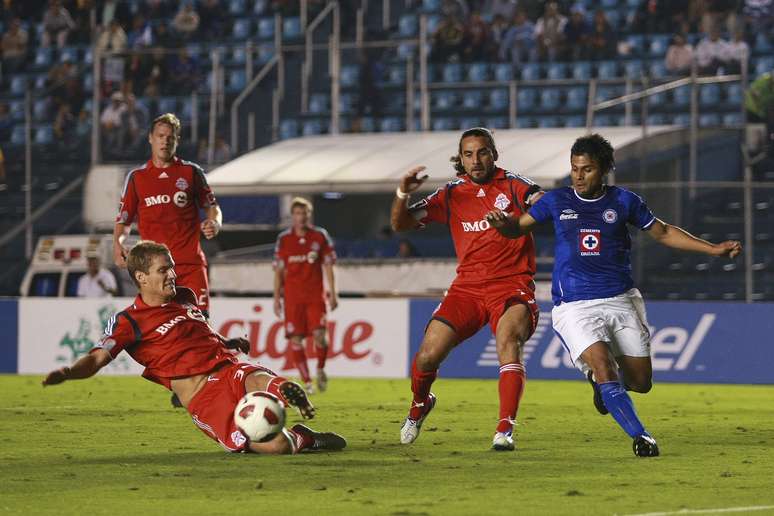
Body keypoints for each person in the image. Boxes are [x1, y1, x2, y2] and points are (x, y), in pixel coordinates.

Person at [486, 133, 742, 457]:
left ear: (605, 169)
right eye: (575, 168)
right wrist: (503, 224)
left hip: (620, 300)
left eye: (587, 169)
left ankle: (601, 386)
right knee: (604, 366)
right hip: (575, 305)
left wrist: (714, 250)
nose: (578, 176)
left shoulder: (624, 202)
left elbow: (662, 232)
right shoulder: (555, 201)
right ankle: (641, 436)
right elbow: (517, 227)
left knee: (640, 381)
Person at [43, 241, 346, 454]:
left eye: (172, 267)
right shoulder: (128, 322)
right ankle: (301, 437)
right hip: (205, 398)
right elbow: (96, 359)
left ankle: (286, 390)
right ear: (141, 277)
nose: (172, 275)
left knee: (257, 378)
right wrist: (69, 372)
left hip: (229, 367)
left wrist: (227, 343)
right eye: (164, 270)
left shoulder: (184, 296)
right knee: (279, 447)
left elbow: (201, 334)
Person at [391, 127, 542, 451]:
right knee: (428, 355)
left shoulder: (513, 184)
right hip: (467, 289)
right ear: (460, 159)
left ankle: (505, 429)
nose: (476, 160)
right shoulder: (450, 194)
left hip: (511, 285)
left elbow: (542, 205)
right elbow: (401, 224)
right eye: (469, 154)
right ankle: (420, 403)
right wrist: (403, 193)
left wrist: (517, 224)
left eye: (483, 152)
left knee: (508, 342)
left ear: (494, 154)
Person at [113, 112, 220, 317]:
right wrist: (117, 243)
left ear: (177, 140)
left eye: (170, 137)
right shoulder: (137, 178)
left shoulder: (191, 172)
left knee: (199, 329)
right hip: (155, 270)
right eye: (160, 136)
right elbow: (123, 219)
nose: (165, 141)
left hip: (190, 266)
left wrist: (214, 222)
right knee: (161, 331)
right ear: (151, 138)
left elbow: (212, 206)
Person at [273, 197, 338, 394]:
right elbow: (278, 271)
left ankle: (320, 368)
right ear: (292, 216)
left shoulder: (319, 236)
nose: (301, 217)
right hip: (293, 298)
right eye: (297, 213)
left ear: (309, 215)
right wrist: (276, 298)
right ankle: (307, 382)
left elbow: (328, 266)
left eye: (304, 213)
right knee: (296, 339)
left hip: (315, 296)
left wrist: (333, 293)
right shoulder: (284, 239)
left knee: (320, 336)